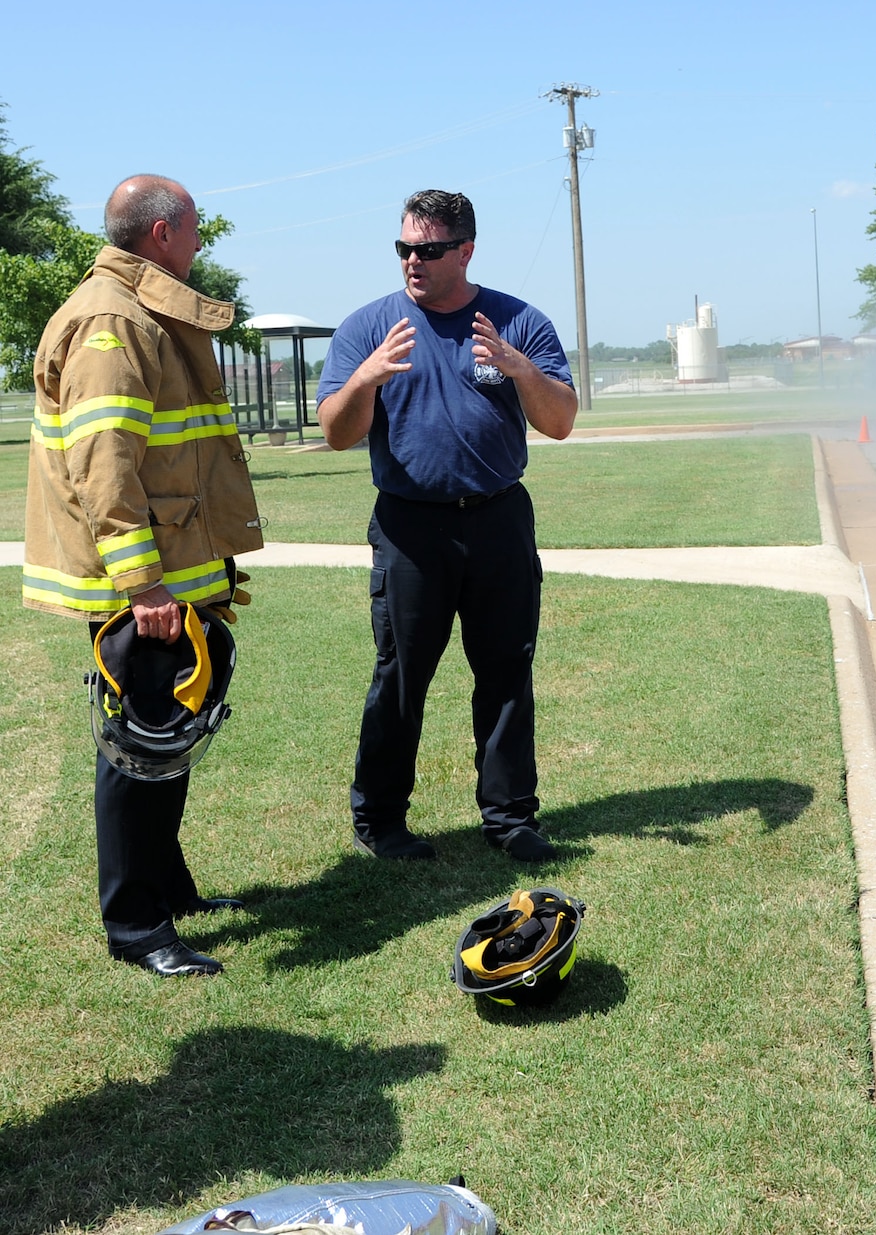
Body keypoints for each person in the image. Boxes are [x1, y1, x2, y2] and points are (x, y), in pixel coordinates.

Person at [22, 175, 262, 977]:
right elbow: (104, 464)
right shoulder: (110, 319)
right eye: (193, 231)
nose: (199, 245)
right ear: (161, 235)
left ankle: (168, 888)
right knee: (141, 746)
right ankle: (136, 928)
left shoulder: (137, 308)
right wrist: (145, 586)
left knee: (170, 736)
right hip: (145, 588)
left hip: (173, 573)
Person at [316, 190, 576, 863]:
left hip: (498, 520)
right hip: (409, 528)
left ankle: (511, 818)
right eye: (403, 248)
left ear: (465, 250)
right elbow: (339, 433)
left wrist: (518, 369)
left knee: (506, 672)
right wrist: (366, 380)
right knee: (401, 676)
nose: (412, 261)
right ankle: (380, 820)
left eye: (428, 250)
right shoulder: (369, 327)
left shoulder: (517, 323)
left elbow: (561, 421)